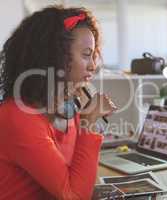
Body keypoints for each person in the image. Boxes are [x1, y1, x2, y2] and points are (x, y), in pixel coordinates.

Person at [0, 5, 116, 200]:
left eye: (93, 55)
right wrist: (88, 124)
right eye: (86, 55)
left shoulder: (69, 106)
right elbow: (74, 196)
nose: (93, 65)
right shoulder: (18, 116)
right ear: (55, 57)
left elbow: (73, 180)